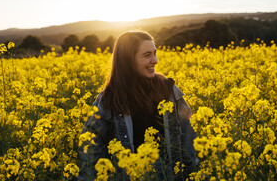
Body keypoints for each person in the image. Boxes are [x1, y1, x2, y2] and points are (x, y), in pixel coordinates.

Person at [78, 31, 197, 180]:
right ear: (128, 60)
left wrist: (193, 174)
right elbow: (90, 143)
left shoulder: (168, 90)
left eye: (154, 53)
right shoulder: (109, 98)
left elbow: (189, 137)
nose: (155, 60)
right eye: (147, 55)